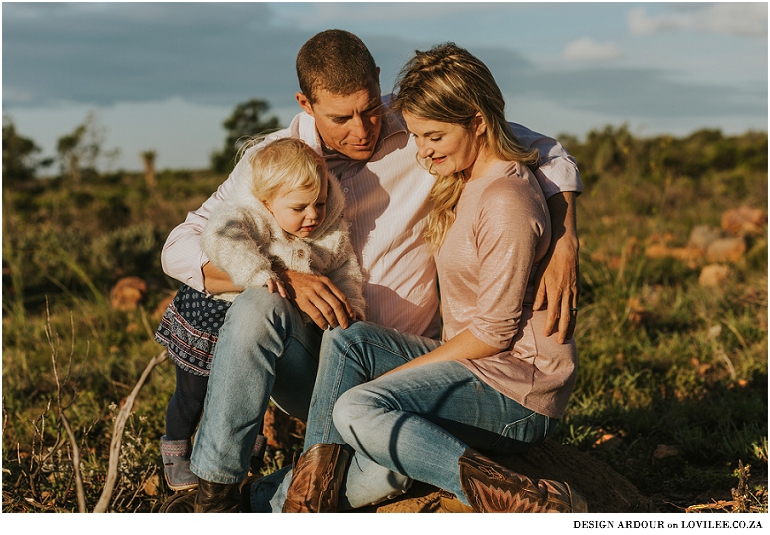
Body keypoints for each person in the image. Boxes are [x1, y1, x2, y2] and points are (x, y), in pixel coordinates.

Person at [159, 29, 581, 513]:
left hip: (410, 358)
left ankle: (271, 505)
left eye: (369, 109)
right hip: (321, 357)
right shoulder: (272, 162)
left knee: (391, 451)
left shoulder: (423, 130)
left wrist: (565, 237)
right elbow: (178, 246)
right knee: (259, 305)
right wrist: (280, 274)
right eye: (341, 118)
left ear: (379, 83)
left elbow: (543, 152)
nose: (362, 130)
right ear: (306, 103)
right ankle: (215, 492)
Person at [155, 137, 365, 492]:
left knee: (250, 392)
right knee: (194, 393)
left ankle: (241, 468)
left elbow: (344, 267)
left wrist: (351, 306)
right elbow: (223, 239)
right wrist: (260, 274)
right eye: (299, 208)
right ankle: (175, 450)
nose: (313, 215)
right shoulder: (246, 215)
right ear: (268, 202)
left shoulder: (328, 230)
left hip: (259, 331)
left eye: (320, 203)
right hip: (211, 315)